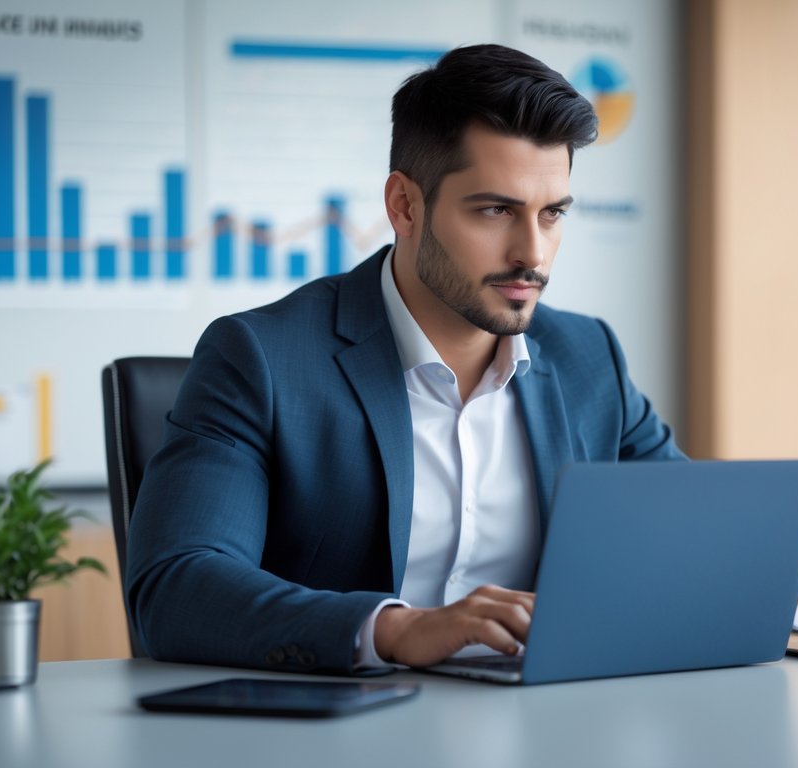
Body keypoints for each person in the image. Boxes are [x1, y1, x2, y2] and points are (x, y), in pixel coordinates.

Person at [125, 44, 683, 675]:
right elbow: (174, 585)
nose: (533, 253)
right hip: (346, 716)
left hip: (542, 715)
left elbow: (692, 541)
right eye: (495, 210)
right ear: (405, 206)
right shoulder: (260, 359)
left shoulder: (589, 358)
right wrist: (396, 629)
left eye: (551, 214)